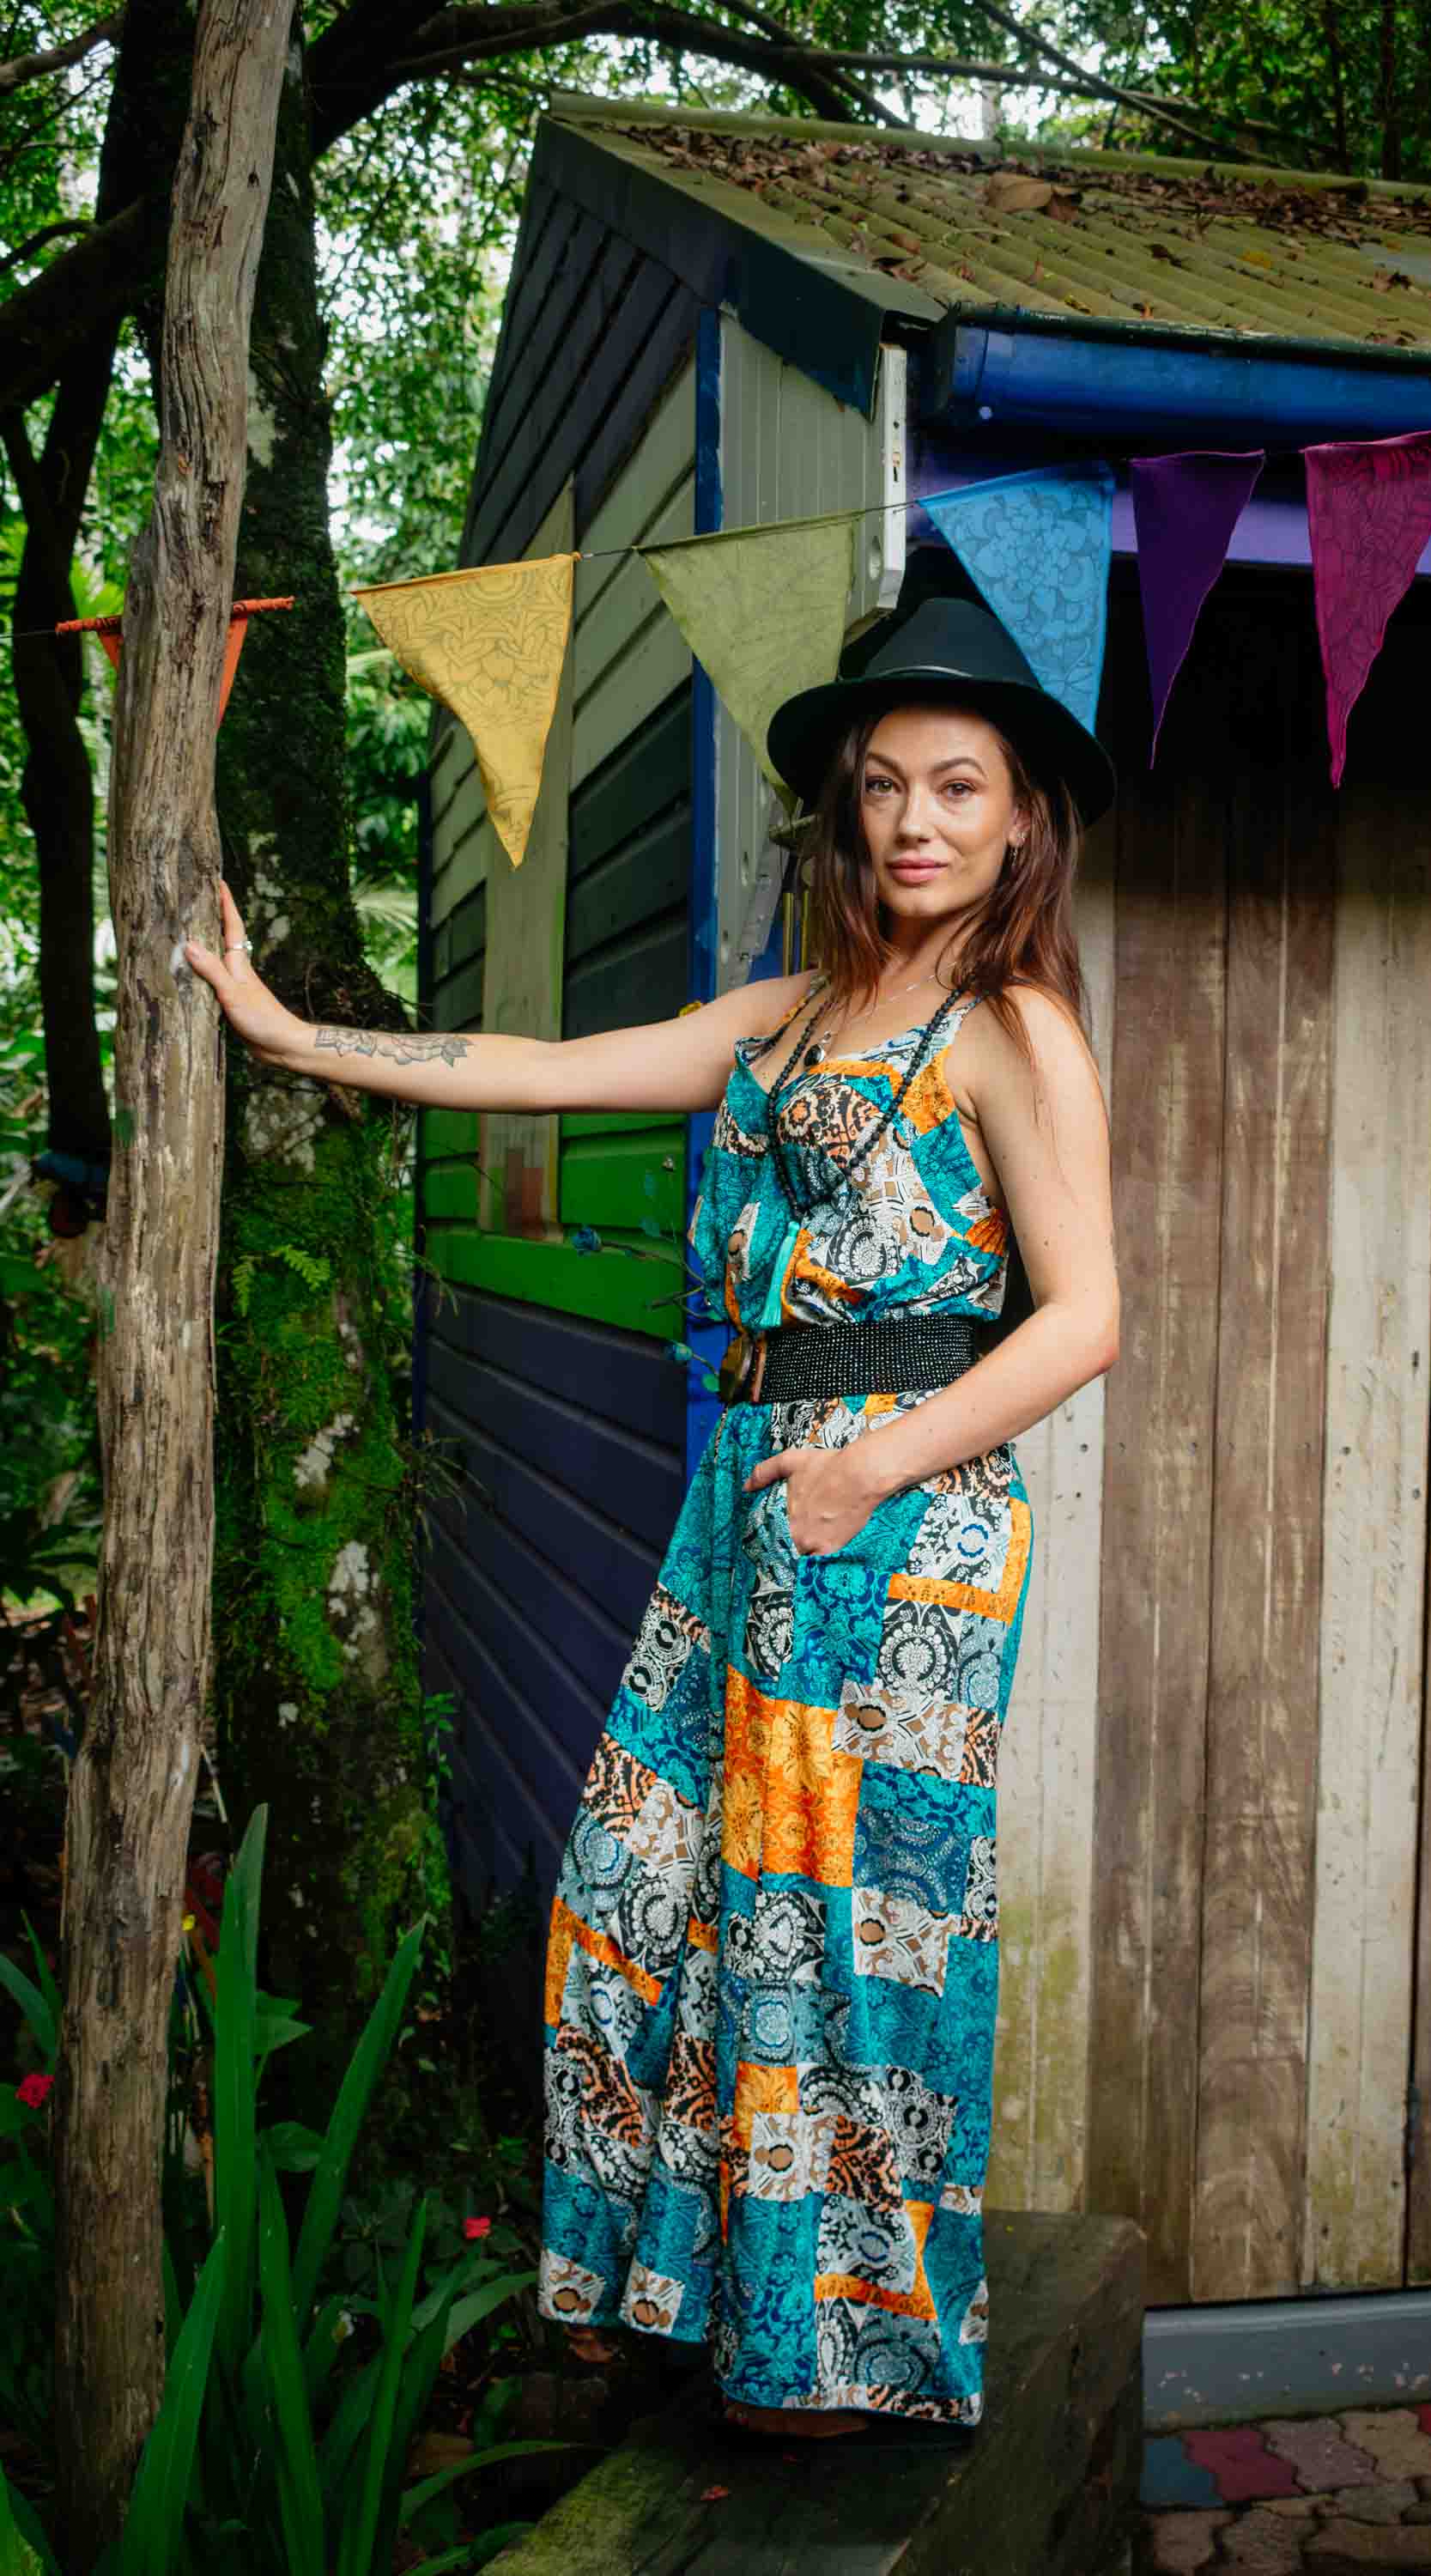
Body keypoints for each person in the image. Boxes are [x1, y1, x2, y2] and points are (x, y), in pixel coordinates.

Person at [185, 587, 1120, 2441]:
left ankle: (841, 2349)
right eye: (883, 785)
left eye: (958, 787)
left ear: (1022, 818)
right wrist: (290, 1036)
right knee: (647, 1879)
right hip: (748, 1503)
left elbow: (1086, 1317)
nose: (916, 821)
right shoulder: (790, 1017)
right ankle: (709, 2299)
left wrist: (867, 1468)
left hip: (900, 1521)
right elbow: (543, 1073)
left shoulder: (1011, 1027)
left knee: (843, 1931)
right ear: (846, 807)